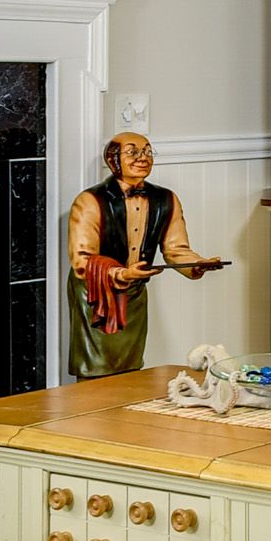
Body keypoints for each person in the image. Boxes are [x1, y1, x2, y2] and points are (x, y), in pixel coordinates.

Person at [67, 130, 224, 378]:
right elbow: (82, 260)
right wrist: (121, 273)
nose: (143, 158)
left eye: (148, 152)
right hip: (97, 292)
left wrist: (198, 264)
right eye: (132, 152)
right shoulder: (89, 201)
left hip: (134, 293)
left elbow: (176, 250)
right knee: (96, 364)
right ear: (112, 160)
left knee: (131, 363)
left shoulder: (165, 199)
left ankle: (126, 410)